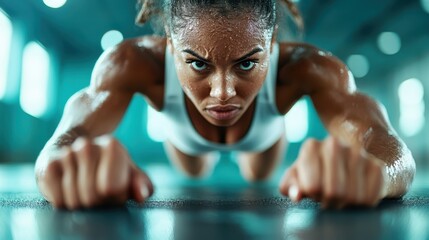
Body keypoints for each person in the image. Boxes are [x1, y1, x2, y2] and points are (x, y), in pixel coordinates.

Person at [35, 0, 416, 210]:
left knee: (258, 176)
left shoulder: (309, 68)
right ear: (169, 43)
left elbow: (387, 147)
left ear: (271, 46)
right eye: (198, 64)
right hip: (184, 139)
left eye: (247, 63)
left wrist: (375, 174)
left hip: (263, 137)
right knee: (193, 171)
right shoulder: (132, 63)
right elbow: (67, 138)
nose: (222, 92)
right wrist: (61, 169)